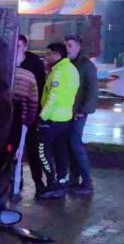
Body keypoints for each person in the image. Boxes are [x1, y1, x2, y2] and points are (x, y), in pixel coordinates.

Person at [34, 42, 79, 200]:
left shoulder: (59, 72)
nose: (46, 57)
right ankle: (61, 181)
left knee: (42, 152)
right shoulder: (72, 69)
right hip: (65, 119)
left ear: (57, 55)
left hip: (52, 119)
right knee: (61, 152)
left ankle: (52, 183)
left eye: (48, 54)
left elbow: (54, 98)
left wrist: (42, 117)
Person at [65, 35, 98, 195]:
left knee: (75, 145)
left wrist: (83, 110)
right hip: (68, 112)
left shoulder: (86, 65)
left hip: (78, 112)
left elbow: (92, 90)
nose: (67, 49)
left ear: (78, 47)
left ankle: (87, 182)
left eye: (70, 46)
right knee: (71, 146)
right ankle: (74, 179)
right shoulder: (68, 64)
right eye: (66, 45)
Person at [10, 35, 40, 198]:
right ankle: (14, 188)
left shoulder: (26, 73)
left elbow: (33, 101)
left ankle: (14, 187)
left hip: (17, 121)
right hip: (15, 121)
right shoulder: (28, 75)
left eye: (19, 46)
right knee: (17, 154)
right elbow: (33, 101)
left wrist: (27, 122)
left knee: (16, 154)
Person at [17, 36, 47, 190]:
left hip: (30, 113)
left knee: (33, 148)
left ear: (25, 46)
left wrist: (36, 113)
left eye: (19, 46)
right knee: (15, 150)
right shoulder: (9, 62)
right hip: (14, 115)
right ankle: (17, 180)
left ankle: (38, 182)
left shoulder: (33, 63)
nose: (16, 49)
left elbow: (39, 89)